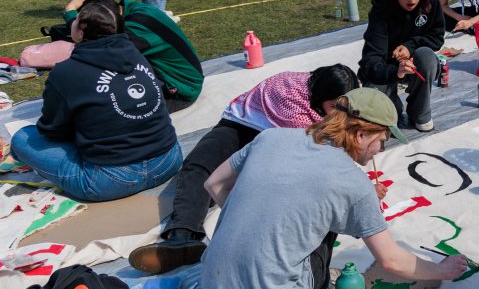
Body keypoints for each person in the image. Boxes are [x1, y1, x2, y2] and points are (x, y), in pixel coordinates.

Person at [201, 87, 468, 289]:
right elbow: (390, 259)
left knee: (311, 211)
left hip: (211, 282)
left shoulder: (271, 136)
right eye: (382, 140)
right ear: (360, 135)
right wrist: (439, 270)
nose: (383, 149)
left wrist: (251, 218)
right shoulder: (352, 183)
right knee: (327, 224)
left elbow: (214, 184)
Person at [128, 64, 359, 274]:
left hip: (277, 141)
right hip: (243, 126)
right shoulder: (287, 90)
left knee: (274, 184)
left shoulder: (334, 105)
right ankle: (182, 238)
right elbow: (309, 145)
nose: (335, 115)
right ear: (320, 96)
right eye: (332, 107)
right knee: (200, 166)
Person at [10, 0, 183, 201]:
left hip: (110, 179)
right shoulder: (137, 55)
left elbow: (52, 130)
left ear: (81, 32)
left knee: (22, 138)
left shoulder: (66, 72)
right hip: (168, 160)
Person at [57, 0, 203, 110]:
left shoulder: (136, 27)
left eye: (79, 23)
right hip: (178, 77)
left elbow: (100, 52)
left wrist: (70, 14)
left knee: (103, 107)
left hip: (181, 89)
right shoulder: (134, 10)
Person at [358, 0, 444, 133]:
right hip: (385, 68)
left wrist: (410, 47)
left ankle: (420, 113)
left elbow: (437, 37)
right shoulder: (381, 10)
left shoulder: (430, 1)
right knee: (383, 123)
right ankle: (394, 109)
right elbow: (371, 61)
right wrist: (396, 71)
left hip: (414, 64)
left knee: (427, 57)